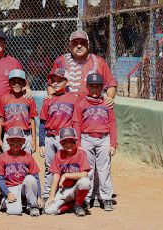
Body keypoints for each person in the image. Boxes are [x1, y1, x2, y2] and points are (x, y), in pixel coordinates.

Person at [73, 73, 117, 211]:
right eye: (91, 86)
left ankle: (106, 198)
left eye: (97, 86)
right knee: (88, 170)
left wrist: (113, 144)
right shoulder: (81, 104)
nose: (94, 89)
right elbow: (76, 124)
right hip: (86, 138)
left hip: (104, 138)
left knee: (104, 169)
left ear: (102, 88)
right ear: (87, 87)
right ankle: (87, 198)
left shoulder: (107, 104)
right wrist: (78, 144)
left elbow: (112, 124)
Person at [39, 68, 79, 200]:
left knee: (67, 166)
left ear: (67, 82)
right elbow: (42, 122)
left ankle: (64, 194)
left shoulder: (73, 99)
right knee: (49, 167)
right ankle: (46, 194)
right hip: (50, 137)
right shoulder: (47, 100)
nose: (55, 83)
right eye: (53, 81)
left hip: (65, 139)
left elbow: (76, 121)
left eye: (59, 80)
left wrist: (76, 141)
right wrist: (41, 143)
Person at [50, 30, 117, 107]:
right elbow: (50, 85)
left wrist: (110, 98)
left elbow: (111, 85)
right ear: (70, 45)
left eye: (83, 43)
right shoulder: (60, 61)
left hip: (90, 107)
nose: (79, 46)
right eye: (75, 43)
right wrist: (52, 99)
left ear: (88, 45)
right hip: (64, 107)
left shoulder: (99, 62)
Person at [0, 126, 43, 216]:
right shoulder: (2, 157)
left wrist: (39, 196)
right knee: (14, 212)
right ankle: (3, 199)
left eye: (18, 140)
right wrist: (7, 193)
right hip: (11, 188)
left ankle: (33, 206)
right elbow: (0, 179)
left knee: (30, 178)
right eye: (12, 140)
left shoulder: (28, 156)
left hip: (24, 187)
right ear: (7, 141)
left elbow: (36, 178)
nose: (15, 143)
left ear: (23, 142)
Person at [44, 127, 91, 216]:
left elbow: (84, 174)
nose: (69, 144)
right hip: (63, 190)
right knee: (49, 211)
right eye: (65, 141)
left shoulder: (81, 153)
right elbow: (56, 176)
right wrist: (51, 196)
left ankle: (78, 204)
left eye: (71, 141)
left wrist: (66, 175)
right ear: (61, 143)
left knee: (85, 182)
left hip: (76, 188)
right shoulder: (59, 155)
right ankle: (70, 206)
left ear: (76, 142)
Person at [0, 69, 37, 154]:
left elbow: (32, 120)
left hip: (25, 135)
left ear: (24, 83)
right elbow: (0, 120)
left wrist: (34, 140)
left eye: (20, 82)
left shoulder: (28, 99)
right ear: (9, 83)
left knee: (26, 162)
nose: (17, 84)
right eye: (13, 81)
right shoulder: (4, 98)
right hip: (9, 134)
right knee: (8, 162)